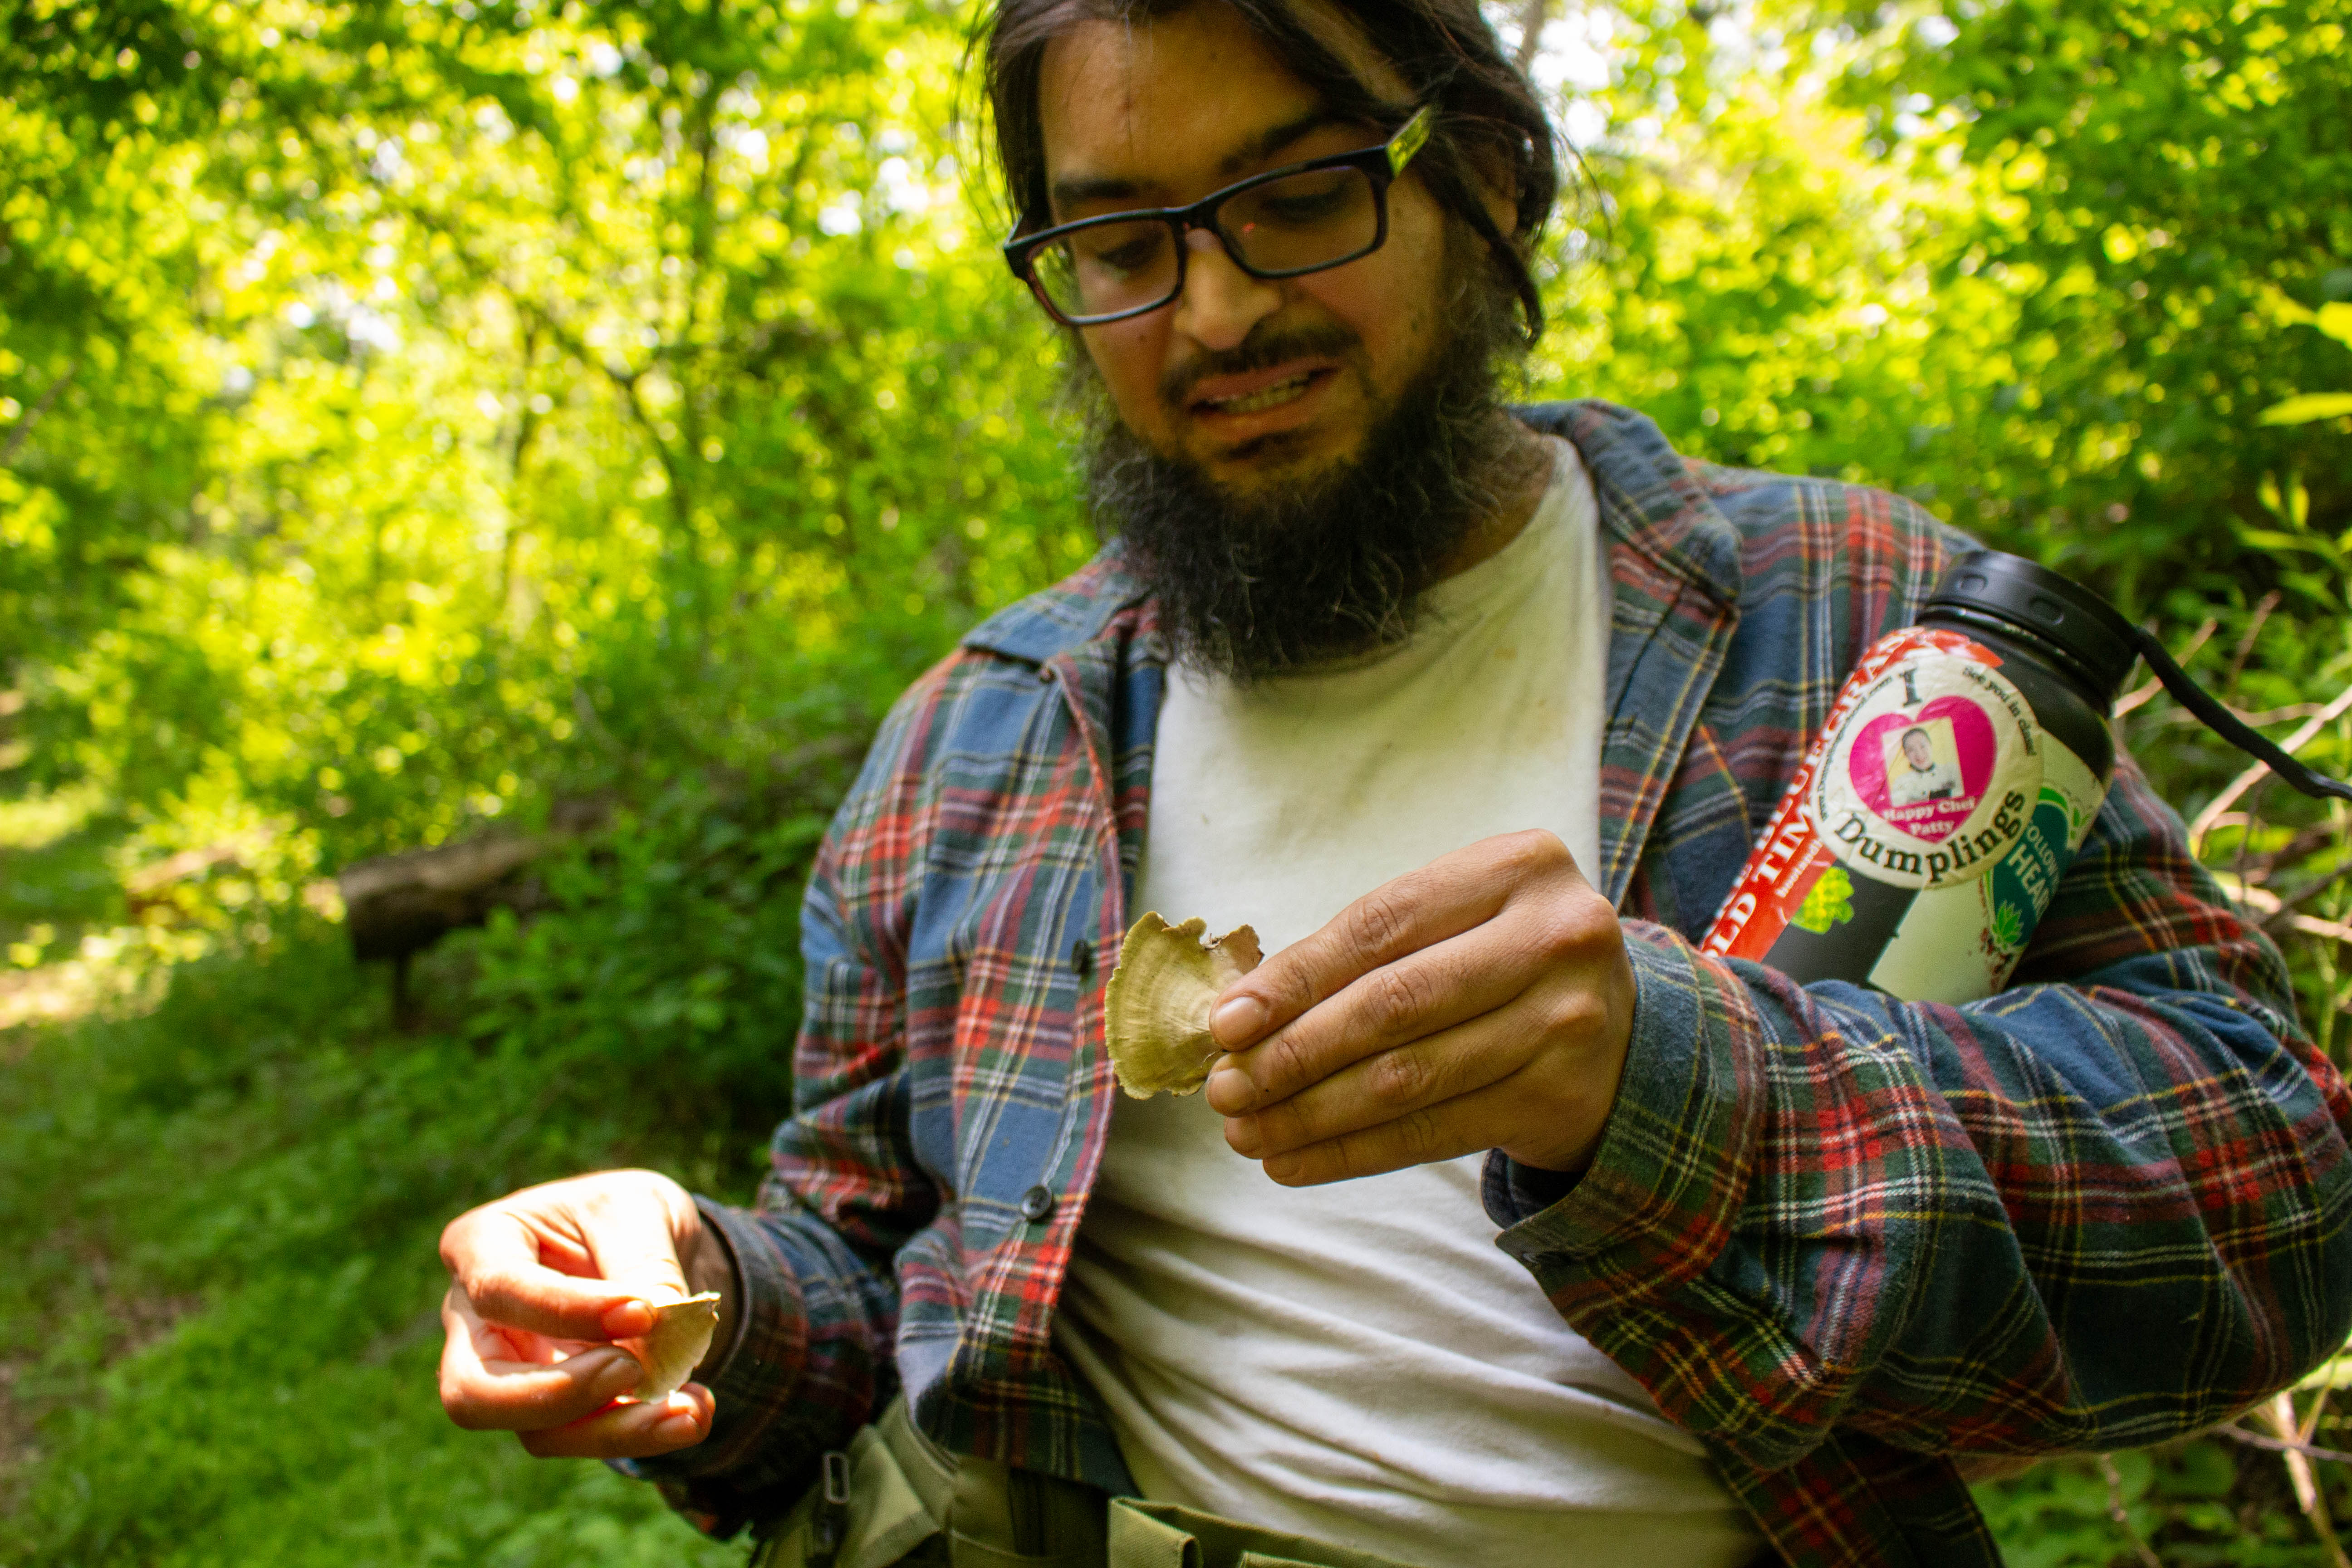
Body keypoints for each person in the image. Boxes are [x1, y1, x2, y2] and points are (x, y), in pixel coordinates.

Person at [435, 2, 2352, 1564]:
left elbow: (2280, 1203)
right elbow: (864, 1291)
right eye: (1119, 246)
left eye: (1296, 197)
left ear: (1485, 182)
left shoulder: (1856, 632)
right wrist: (690, 1294)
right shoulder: (975, 733)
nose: (1211, 315)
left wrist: (1676, 1087)